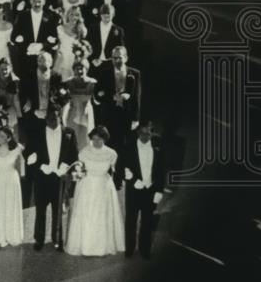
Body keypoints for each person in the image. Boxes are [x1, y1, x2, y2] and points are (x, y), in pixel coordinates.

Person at [65, 125, 125, 256]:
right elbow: (79, 170)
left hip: (103, 187)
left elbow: (116, 171)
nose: (96, 142)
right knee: (87, 215)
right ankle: (86, 246)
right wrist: (78, 175)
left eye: (99, 139)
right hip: (87, 186)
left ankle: (101, 247)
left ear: (105, 139)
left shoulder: (111, 153)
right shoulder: (84, 152)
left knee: (101, 215)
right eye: (94, 139)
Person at [26, 110, 78, 251]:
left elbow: (74, 154)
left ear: (59, 116)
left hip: (59, 177)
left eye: (54, 118)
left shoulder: (69, 132)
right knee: (40, 210)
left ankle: (57, 239)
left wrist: (65, 166)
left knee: (58, 211)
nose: (51, 121)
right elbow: (29, 153)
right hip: (42, 178)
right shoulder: (37, 132)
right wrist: (41, 166)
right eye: (48, 118)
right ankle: (39, 239)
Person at [118, 120, 165, 258]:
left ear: (152, 133)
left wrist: (159, 191)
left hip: (150, 190)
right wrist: (131, 180)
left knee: (147, 221)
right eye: (142, 133)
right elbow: (120, 168)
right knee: (131, 220)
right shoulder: (128, 147)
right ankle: (130, 249)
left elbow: (161, 171)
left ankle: (145, 250)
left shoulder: (158, 149)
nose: (145, 136)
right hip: (134, 190)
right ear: (138, 133)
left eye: (148, 133)